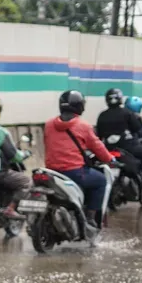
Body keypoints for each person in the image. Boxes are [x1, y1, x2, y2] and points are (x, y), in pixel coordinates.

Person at [45, 90, 115, 227]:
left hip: (51, 172)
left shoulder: (48, 125)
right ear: (79, 106)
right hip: (73, 172)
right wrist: (110, 159)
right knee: (100, 181)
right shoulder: (83, 126)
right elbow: (98, 147)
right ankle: (90, 218)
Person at [95, 87, 142, 181]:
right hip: (128, 148)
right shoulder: (127, 113)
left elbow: (99, 134)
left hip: (108, 149)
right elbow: (137, 128)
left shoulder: (102, 115)